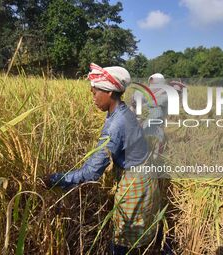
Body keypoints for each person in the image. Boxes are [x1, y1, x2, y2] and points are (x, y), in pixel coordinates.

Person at [43, 63, 161, 254]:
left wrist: (57, 179)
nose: (93, 98)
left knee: (124, 239)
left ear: (109, 92)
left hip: (135, 182)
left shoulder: (116, 124)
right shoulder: (120, 111)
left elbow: (91, 173)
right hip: (142, 173)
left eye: (95, 93)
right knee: (139, 230)